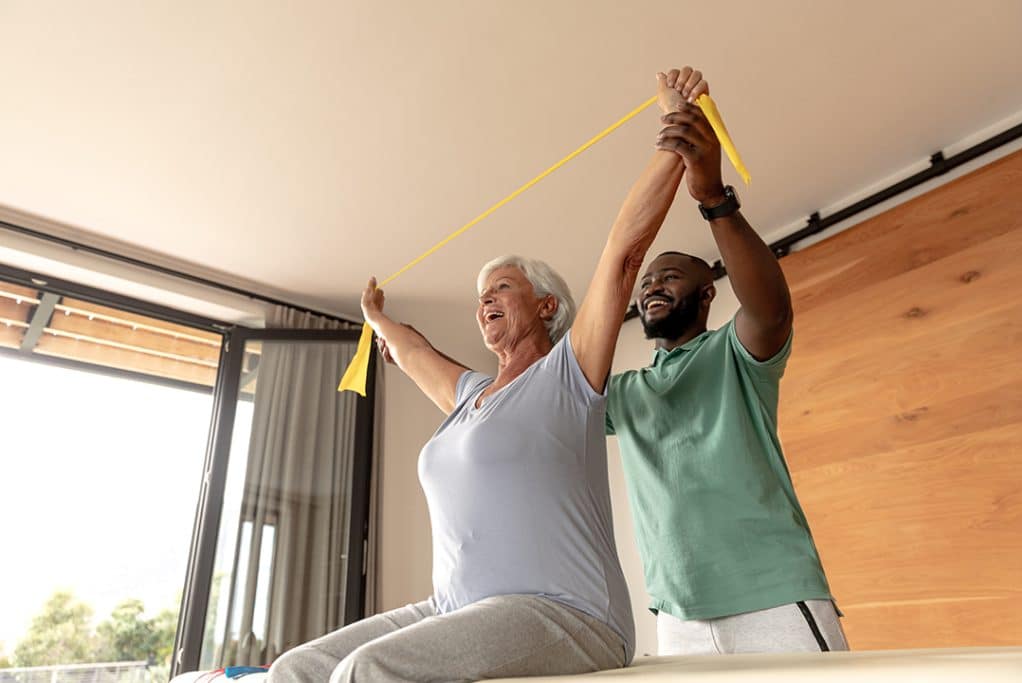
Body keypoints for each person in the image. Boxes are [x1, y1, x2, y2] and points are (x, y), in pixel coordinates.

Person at [267, 67, 705, 682]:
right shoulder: (471, 396)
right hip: (457, 608)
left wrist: (674, 136)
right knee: (297, 669)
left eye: (501, 287)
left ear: (547, 305)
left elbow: (622, 255)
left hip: (569, 613)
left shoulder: (567, 374)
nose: (484, 301)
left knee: (365, 673)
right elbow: (415, 354)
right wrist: (376, 319)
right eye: (479, 296)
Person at [606, 68, 848, 655]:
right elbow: (543, 398)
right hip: (677, 620)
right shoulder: (624, 392)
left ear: (708, 291)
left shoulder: (734, 353)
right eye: (646, 280)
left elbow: (771, 311)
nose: (652, 284)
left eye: (671, 274)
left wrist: (712, 197)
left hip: (776, 598)